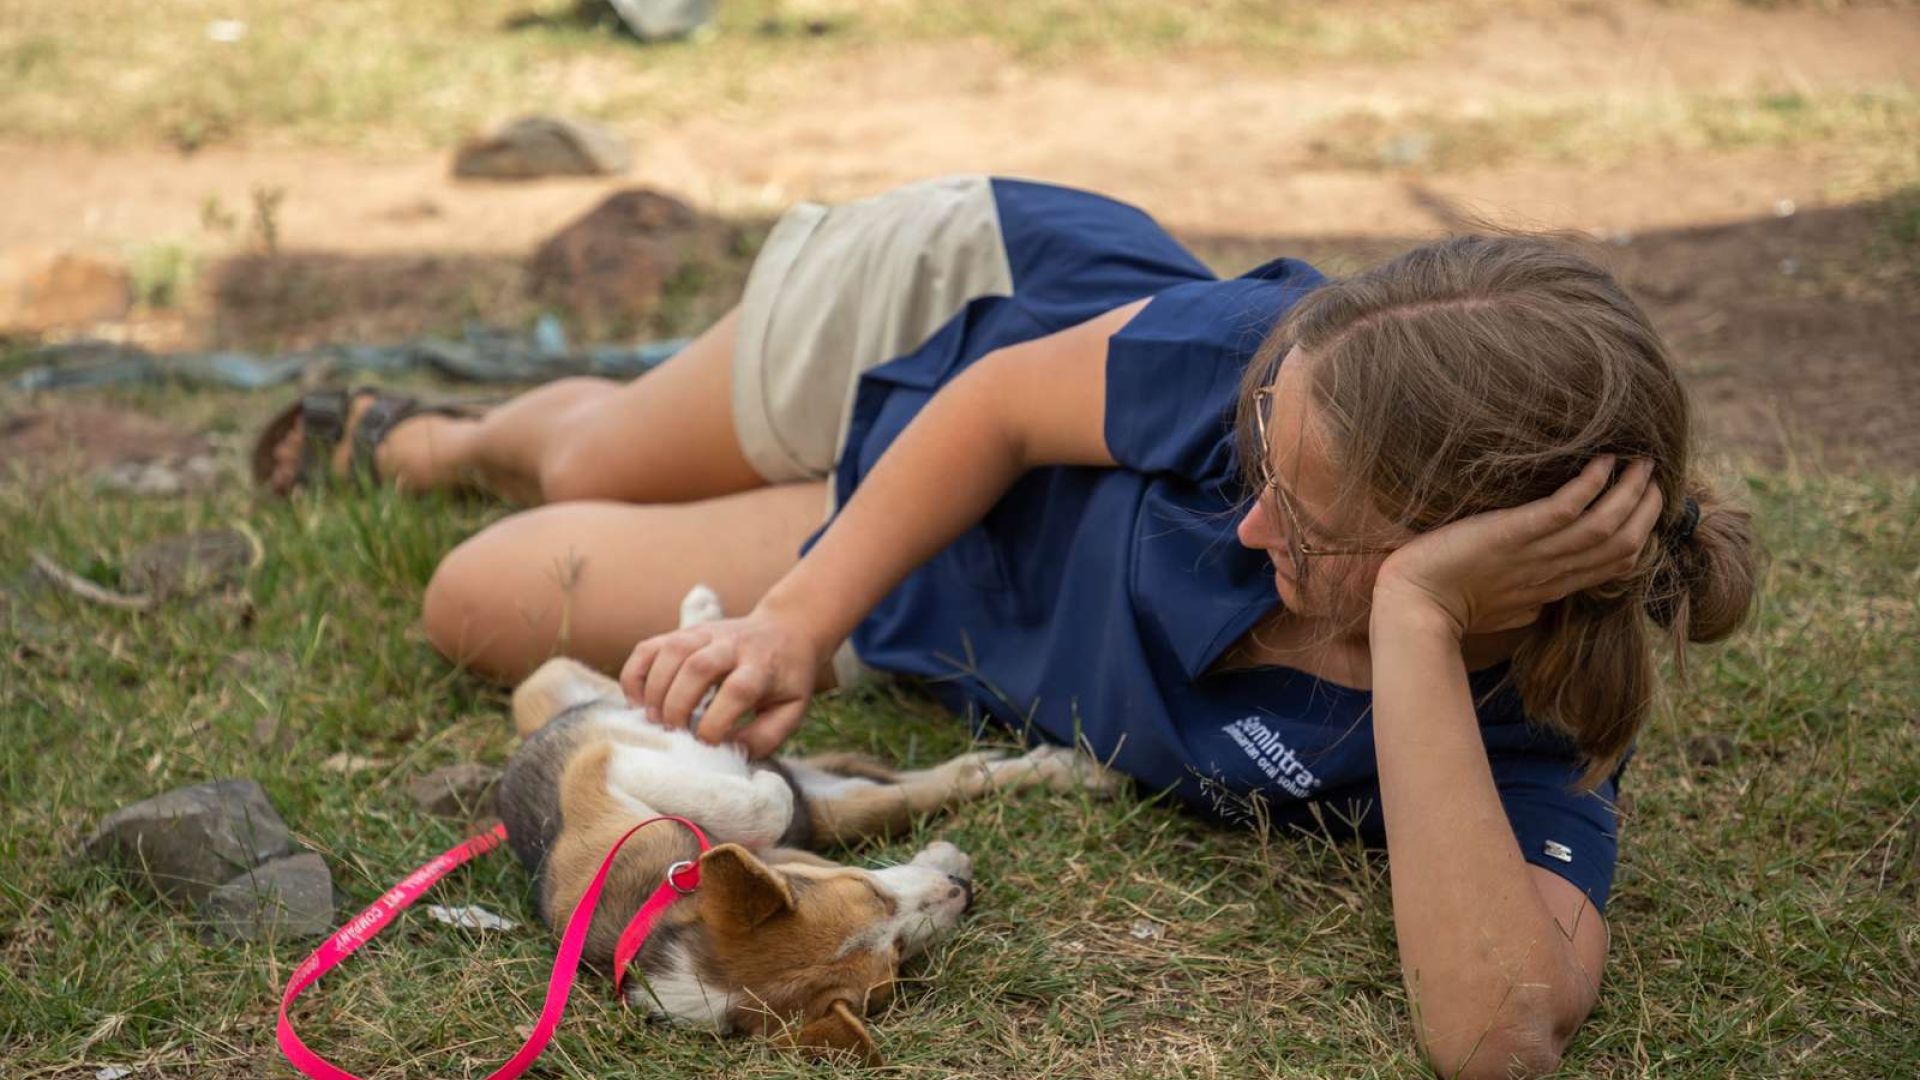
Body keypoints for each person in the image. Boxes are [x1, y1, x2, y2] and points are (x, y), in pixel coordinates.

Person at [256, 176, 1756, 1077]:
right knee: (578, 469)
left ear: (1471, 556)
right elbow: (993, 404)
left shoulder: (1531, 706)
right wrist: (791, 621)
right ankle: (431, 441)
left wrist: (1419, 628)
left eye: (1303, 524)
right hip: (961, 321)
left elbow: (1495, 1037)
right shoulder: (1267, 362)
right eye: (1257, 467)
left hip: (944, 586)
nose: (1247, 526)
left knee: (484, 598)